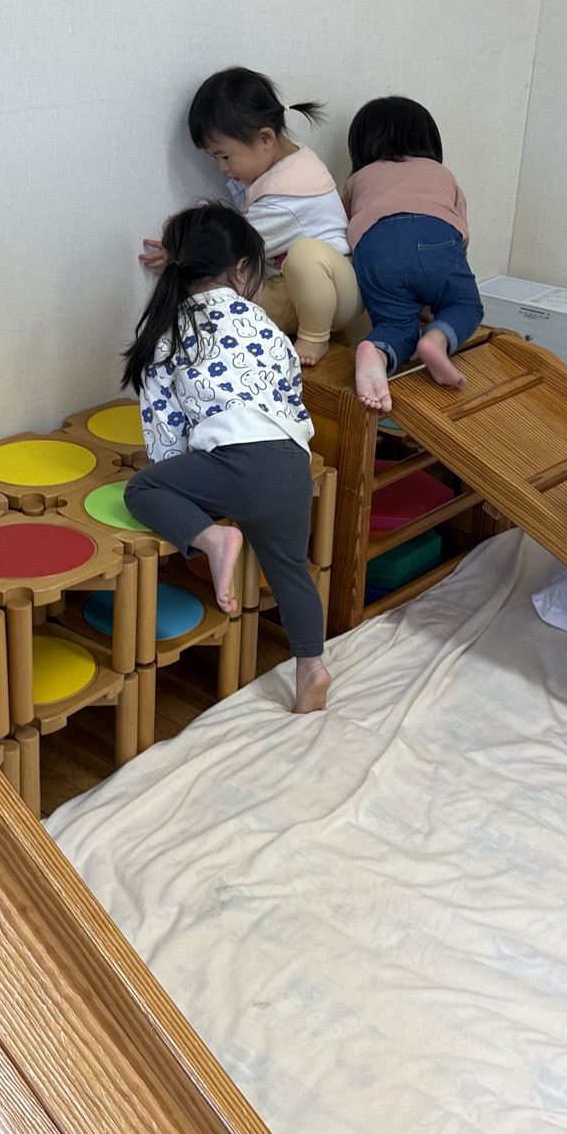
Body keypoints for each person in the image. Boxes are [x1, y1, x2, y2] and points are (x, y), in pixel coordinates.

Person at [122, 203, 332, 713]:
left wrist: (177, 474)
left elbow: (164, 422)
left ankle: (214, 539)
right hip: (291, 463)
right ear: (241, 269)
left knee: (143, 488)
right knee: (291, 571)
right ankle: (312, 667)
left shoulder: (171, 328)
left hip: (232, 463)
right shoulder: (264, 324)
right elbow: (291, 390)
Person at [141, 67, 360, 367]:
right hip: (298, 292)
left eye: (225, 156)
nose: (222, 168)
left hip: (337, 296)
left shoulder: (286, 195)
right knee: (228, 294)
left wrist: (183, 254)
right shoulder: (290, 162)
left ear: (265, 138)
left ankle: (314, 337)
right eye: (215, 158)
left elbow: (234, 243)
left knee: (303, 255)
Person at [340, 96, 482, 411]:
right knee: (464, 304)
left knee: (395, 323)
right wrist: (441, 292)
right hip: (436, 239)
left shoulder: (356, 181)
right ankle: (436, 339)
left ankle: (376, 352)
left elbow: (345, 229)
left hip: (375, 249)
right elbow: (460, 235)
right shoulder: (441, 174)